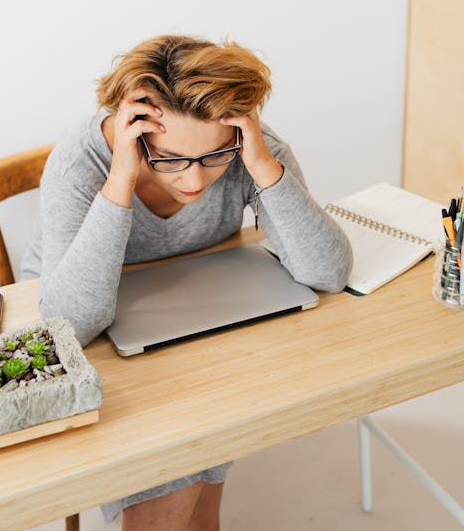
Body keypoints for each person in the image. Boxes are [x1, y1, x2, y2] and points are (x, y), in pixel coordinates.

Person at [21, 34, 353, 531]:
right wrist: (122, 181)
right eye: (172, 158)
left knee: (194, 449)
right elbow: (70, 320)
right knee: (182, 471)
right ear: (134, 133)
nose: (195, 182)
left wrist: (262, 165)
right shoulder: (80, 163)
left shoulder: (247, 148)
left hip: (200, 301)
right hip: (85, 312)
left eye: (213, 157)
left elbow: (327, 272)